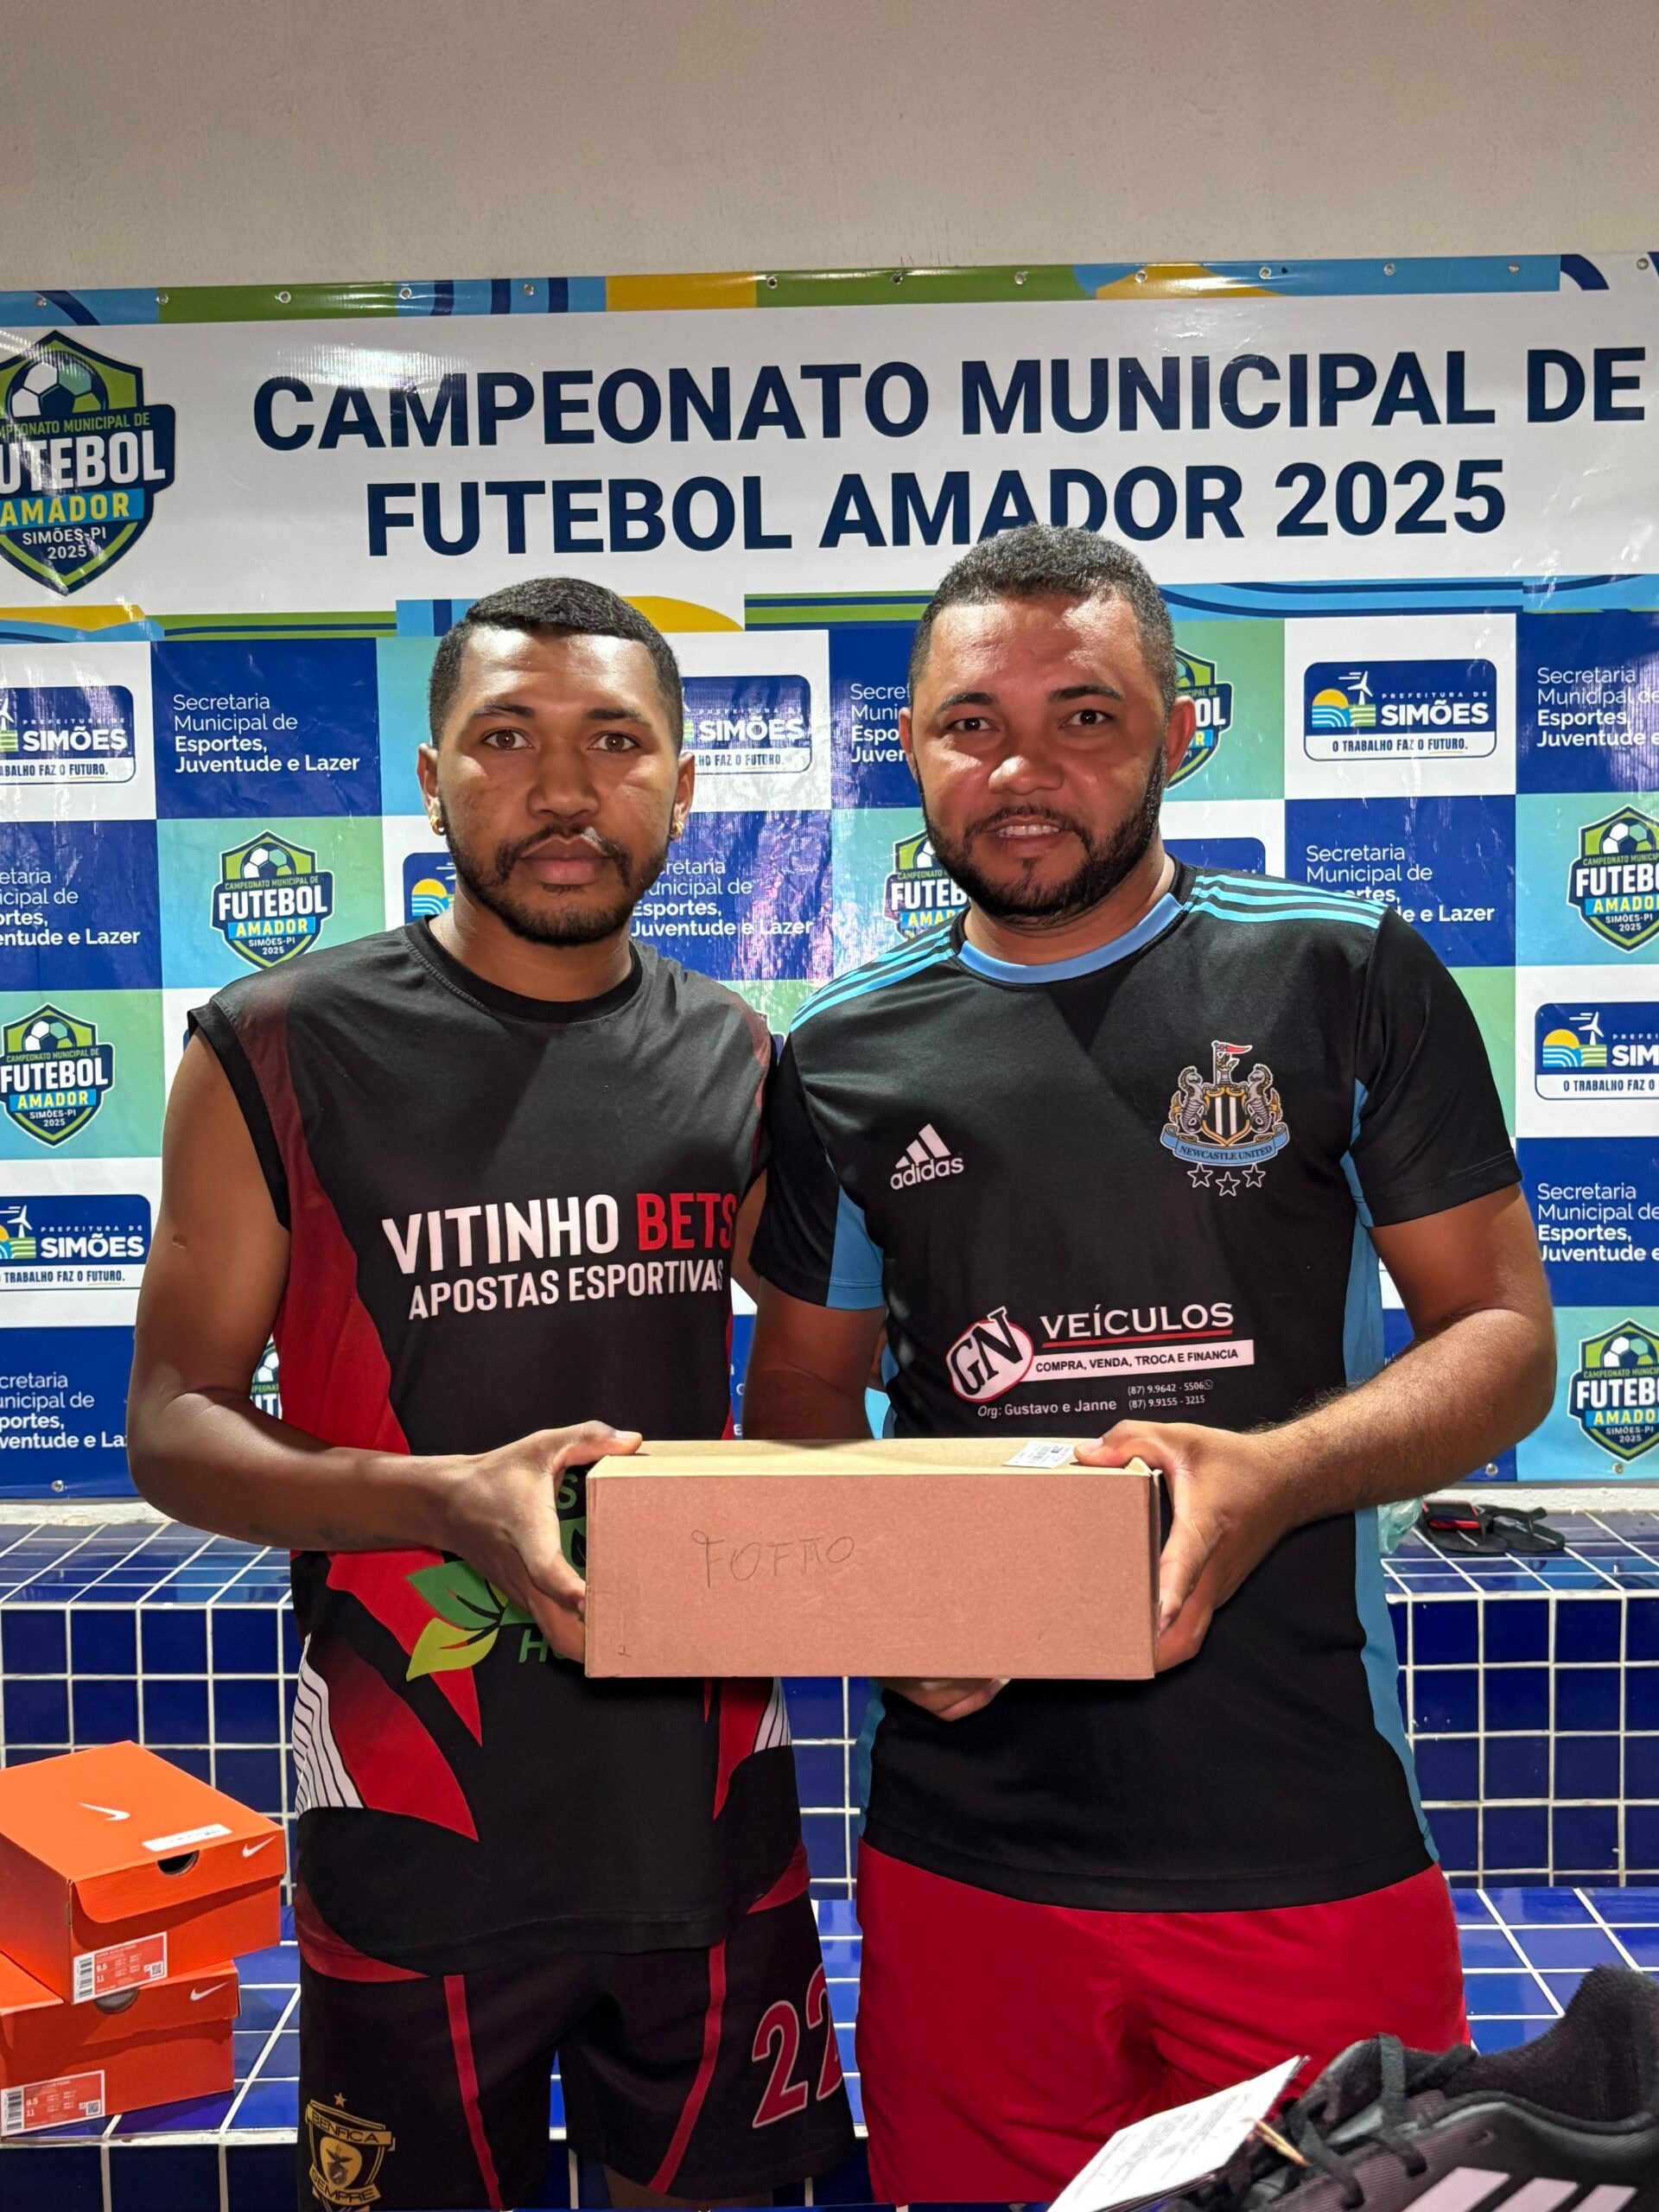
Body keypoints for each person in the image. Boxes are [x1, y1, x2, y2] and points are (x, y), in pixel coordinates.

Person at [742, 525, 1555, 2202]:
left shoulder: (1341, 970)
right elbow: (805, 1395)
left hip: (1303, 1837)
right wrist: (878, 1602)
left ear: (1179, 730)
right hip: (965, 1859)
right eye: (973, 722)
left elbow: (1502, 1337)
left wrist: (1275, 1472)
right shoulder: (838, 1051)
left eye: (1087, 716)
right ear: (912, 745)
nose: (1023, 769)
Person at [129, 579, 852, 2212]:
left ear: (683, 784)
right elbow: (172, 1420)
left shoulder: (740, 1058)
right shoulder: (274, 1046)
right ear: (435, 774)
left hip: (701, 1816)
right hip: (412, 1826)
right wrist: (442, 1500)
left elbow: (837, 1362)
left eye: (616, 743)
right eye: (507, 740)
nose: (564, 789)